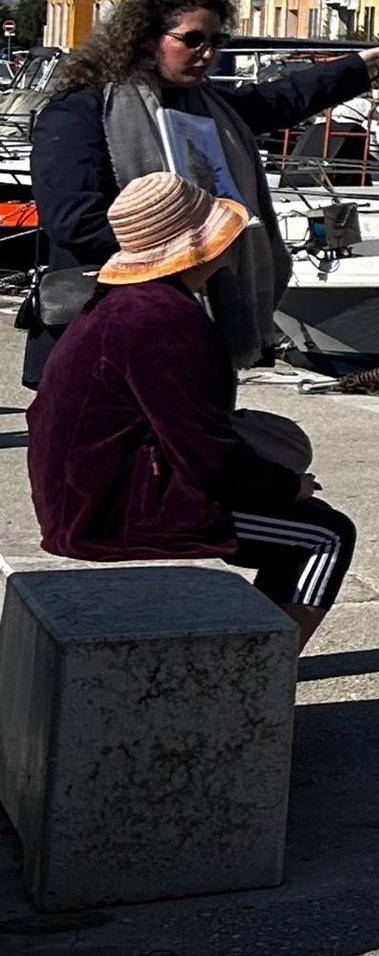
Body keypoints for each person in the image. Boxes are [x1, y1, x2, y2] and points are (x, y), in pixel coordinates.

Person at [30, 0, 379, 384]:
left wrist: (371, 63)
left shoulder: (210, 106)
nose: (207, 54)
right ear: (146, 39)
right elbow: (74, 219)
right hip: (100, 332)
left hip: (193, 328)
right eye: (191, 40)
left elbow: (281, 99)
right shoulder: (80, 112)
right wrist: (186, 252)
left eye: (215, 41)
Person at [26, 173, 356, 642]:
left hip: (85, 492)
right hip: (113, 510)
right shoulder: (163, 317)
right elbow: (203, 452)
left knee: (297, 527)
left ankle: (248, 657)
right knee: (325, 535)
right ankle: (255, 676)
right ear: (199, 246)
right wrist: (288, 486)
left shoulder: (119, 303)